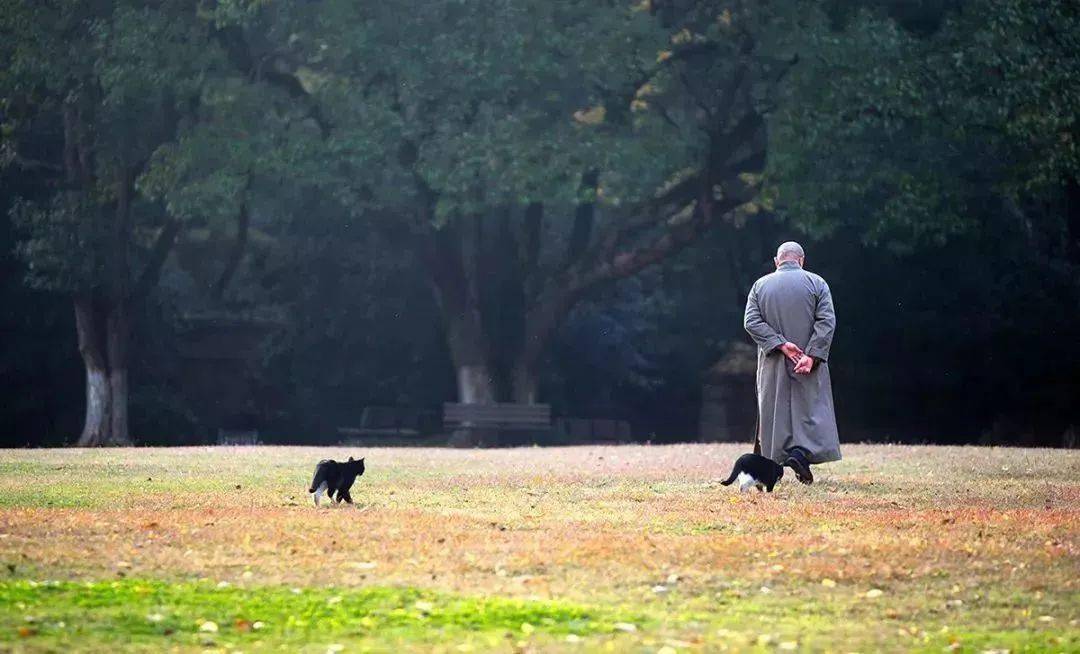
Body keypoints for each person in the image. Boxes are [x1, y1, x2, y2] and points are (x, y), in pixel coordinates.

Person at [743, 241, 840, 484]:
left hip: (773, 361)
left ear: (777, 261)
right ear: (801, 260)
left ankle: (773, 463)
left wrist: (780, 344)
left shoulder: (759, 286)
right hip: (807, 362)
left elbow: (751, 322)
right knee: (811, 410)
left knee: (774, 412)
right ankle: (800, 454)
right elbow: (826, 322)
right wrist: (811, 356)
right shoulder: (817, 283)